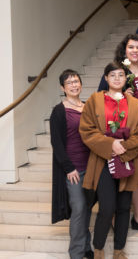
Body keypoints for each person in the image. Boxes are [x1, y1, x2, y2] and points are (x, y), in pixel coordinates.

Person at [80, 62, 138, 259]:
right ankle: (99, 248)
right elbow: (87, 130)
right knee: (107, 207)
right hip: (103, 161)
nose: (117, 78)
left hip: (128, 160)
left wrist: (123, 147)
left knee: (124, 207)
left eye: (121, 75)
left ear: (126, 79)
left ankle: (119, 250)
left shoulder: (135, 104)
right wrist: (110, 144)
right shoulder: (94, 100)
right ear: (106, 78)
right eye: (113, 75)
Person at [97, 34, 138, 234]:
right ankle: (113, 214)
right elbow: (100, 98)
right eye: (131, 47)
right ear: (125, 50)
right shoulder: (115, 72)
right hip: (116, 131)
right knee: (115, 168)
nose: (135, 51)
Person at [50, 69, 93, 259]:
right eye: (69, 83)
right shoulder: (59, 111)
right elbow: (56, 143)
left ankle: (86, 246)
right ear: (63, 88)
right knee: (79, 207)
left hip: (92, 167)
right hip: (74, 169)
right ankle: (76, 253)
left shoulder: (88, 106)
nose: (74, 85)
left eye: (76, 81)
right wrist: (69, 168)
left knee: (87, 207)